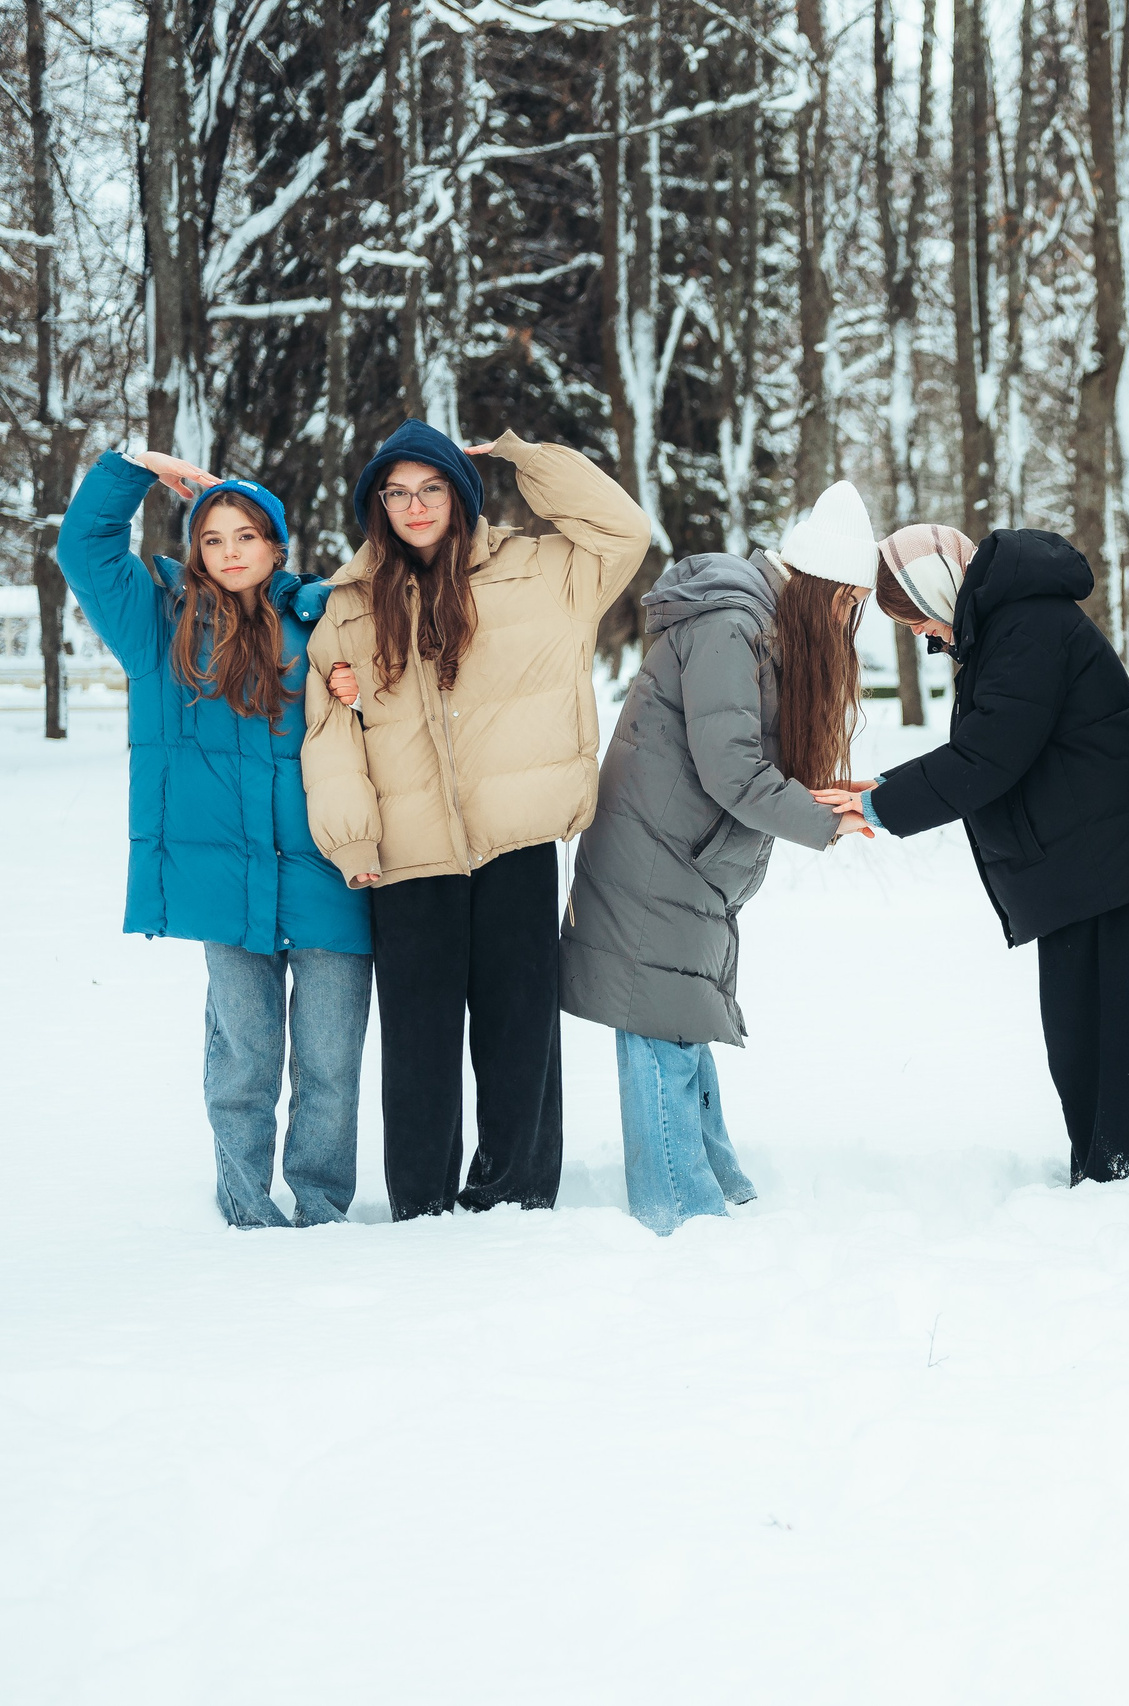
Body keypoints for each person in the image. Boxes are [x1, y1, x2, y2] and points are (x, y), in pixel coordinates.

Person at [305, 419, 650, 1219]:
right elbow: (328, 738)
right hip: (407, 854)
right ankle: (421, 1207)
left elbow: (624, 529)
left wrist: (528, 459)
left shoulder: (542, 572)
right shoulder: (349, 606)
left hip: (516, 842)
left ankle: (515, 1197)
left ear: (460, 495)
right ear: (377, 506)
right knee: (418, 1045)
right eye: (397, 493)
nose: (414, 506)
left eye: (430, 488)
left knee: (519, 1033)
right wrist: (352, 837)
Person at [56, 449, 374, 1228]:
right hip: (222, 887)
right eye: (213, 539)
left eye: (247, 536)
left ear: (277, 547)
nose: (230, 552)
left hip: (328, 877)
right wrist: (131, 469)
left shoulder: (329, 621)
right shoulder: (157, 628)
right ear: (195, 550)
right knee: (244, 1059)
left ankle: (323, 1207)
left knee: (330, 1062)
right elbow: (84, 548)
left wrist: (359, 688)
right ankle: (244, 1205)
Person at [556, 483, 881, 1233]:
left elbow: (748, 749)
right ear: (818, 585)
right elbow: (729, 767)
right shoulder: (733, 626)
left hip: (684, 855)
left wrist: (826, 797)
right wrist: (819, 824)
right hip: (657, 852)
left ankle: (714, 1186)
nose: (847, 619)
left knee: (681, 1016)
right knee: (661, 1022)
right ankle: (679, 1209)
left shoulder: (761, 627)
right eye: (846, 601)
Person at [851, 523, 1129, 1184]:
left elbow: (989, 757)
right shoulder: (1003, 628)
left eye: (914, 617)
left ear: (937, 586)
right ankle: (1101, 1174)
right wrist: (883, 795)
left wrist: (881, 803)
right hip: (1075, 863)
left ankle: (1124, 1179)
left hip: (1109, 857)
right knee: (1077, 1039)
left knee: (1115, 1038)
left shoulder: (1026, 627)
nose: (920, 633)